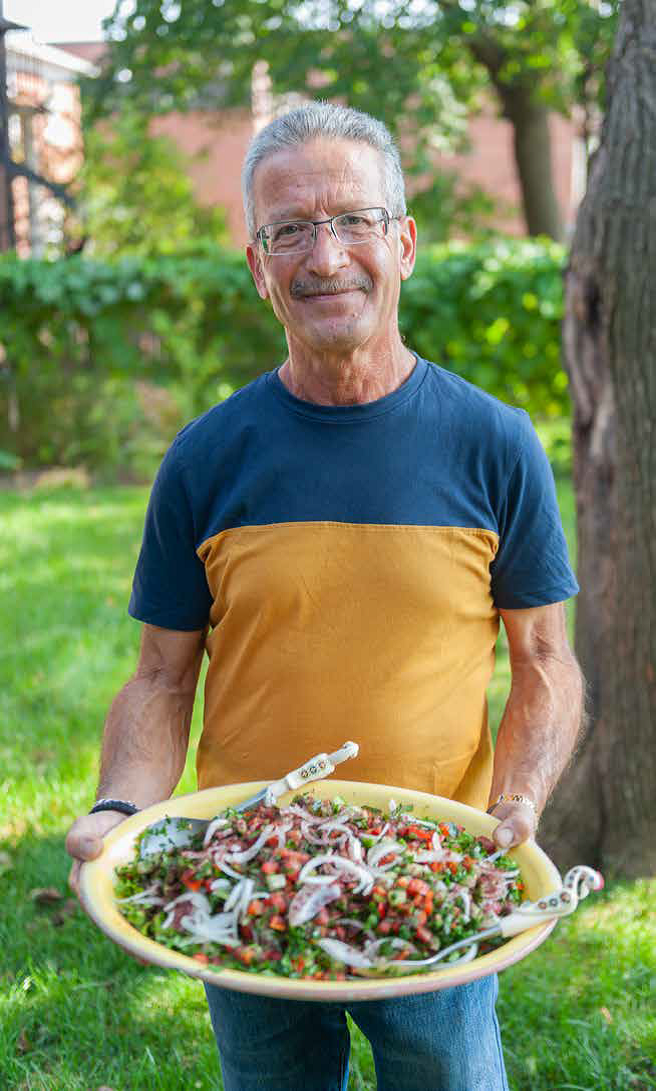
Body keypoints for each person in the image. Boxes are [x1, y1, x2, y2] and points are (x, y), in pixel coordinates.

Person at [66, 102, 583, 1091]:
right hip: (247, 867)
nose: (324, 254)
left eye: (350, 219)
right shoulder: (205, 457)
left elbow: (543, 662)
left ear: (403, 241)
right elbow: (160, 678)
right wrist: (121, 806)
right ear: (259, 267)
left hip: (434, 864)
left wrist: (512, 808)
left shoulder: (493, 442)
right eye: (289, 230)